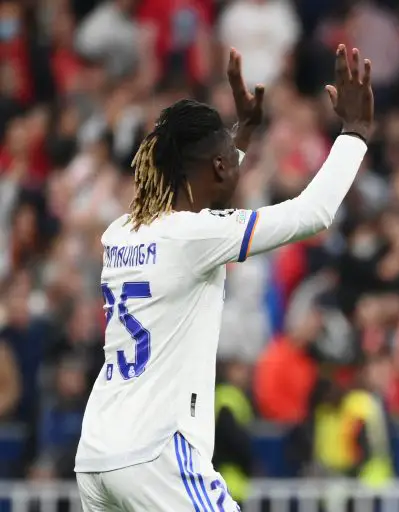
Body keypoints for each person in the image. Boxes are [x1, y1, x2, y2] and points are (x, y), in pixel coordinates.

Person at [73, 44, 374, 511]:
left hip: (97, 453)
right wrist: (355, 132)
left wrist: (241, 136)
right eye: (230, 159)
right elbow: (313, 213)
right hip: (157, 452)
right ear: (217, 167)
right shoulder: (195, 236)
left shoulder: (121, 232)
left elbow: (202, 196)